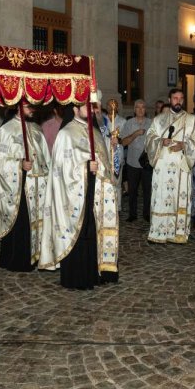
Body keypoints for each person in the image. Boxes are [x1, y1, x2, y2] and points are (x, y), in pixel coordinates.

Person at [45, 97, 120, 288]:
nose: (92, 109)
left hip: (97, 195)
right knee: (81, 233)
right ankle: (77, 277)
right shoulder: (66, 134)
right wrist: (85, 167)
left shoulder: (94, 132)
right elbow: (60, 169)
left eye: (93, 106)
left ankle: (97, 272)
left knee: (94, 233)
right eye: (87, 106)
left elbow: (106, 164)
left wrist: (112, 148)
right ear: (75, 109)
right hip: (76, 197)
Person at [0, 103, 51, 272]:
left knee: (37, 223)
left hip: (38, 187)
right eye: (28, 106)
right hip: (19, 187)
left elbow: (46, 158)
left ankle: (37, 256)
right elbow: (0, 161)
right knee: (22, 223)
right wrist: (19, 164)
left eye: (33, 106)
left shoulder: (36, 129)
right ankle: (18, 260)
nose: (32, 109)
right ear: (18, 106)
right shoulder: (6, 130)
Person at [144, 88, 195, 243]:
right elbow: (149, 139)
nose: (178, 101)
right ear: (169, 100)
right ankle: (158, 233)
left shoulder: (192, 119)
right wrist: (161, 141)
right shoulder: (159, 119)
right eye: (175, 98)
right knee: (161, 197)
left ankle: (178, 233)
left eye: (181, 98)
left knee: (179, 199)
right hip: (162, 166)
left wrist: (184, 145)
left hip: (181, 167)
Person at [119, 100, 152, 223]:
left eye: (143, 107)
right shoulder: (129, 123)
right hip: (132, 162)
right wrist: (135, 134)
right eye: (138, 107)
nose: (140, 109)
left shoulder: (151, 123)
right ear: (134, 109)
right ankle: (132, 214)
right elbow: (123, 142)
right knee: (132, 190)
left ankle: (147, 214)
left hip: (147, 163)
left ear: (145, 109)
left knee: (147, 190)